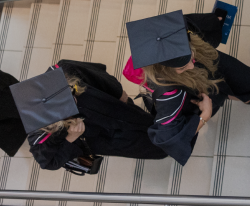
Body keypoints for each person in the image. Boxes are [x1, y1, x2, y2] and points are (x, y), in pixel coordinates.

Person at [127, 10, 250, 165]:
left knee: (243, 76)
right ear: (165, 70)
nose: (191, 66)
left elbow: (190, 22)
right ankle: (238, 96)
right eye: (182, 67)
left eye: (190, 57)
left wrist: (212, 21)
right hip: (195, 88)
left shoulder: (173, 33)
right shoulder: (168, 94)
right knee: (217, 94)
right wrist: (205, 114)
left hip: (210, 61)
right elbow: (167, 138)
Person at [20, 60, 167, 171]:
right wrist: (70, 138)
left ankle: (175, 137)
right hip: (103, 138)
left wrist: (118, 93)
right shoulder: (39, 133)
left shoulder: (64, 71)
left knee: (151, 125)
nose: (74, 101)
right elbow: (49, 163)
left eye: (71, 94)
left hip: (114, 109)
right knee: (154, 148)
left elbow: (99, 76)